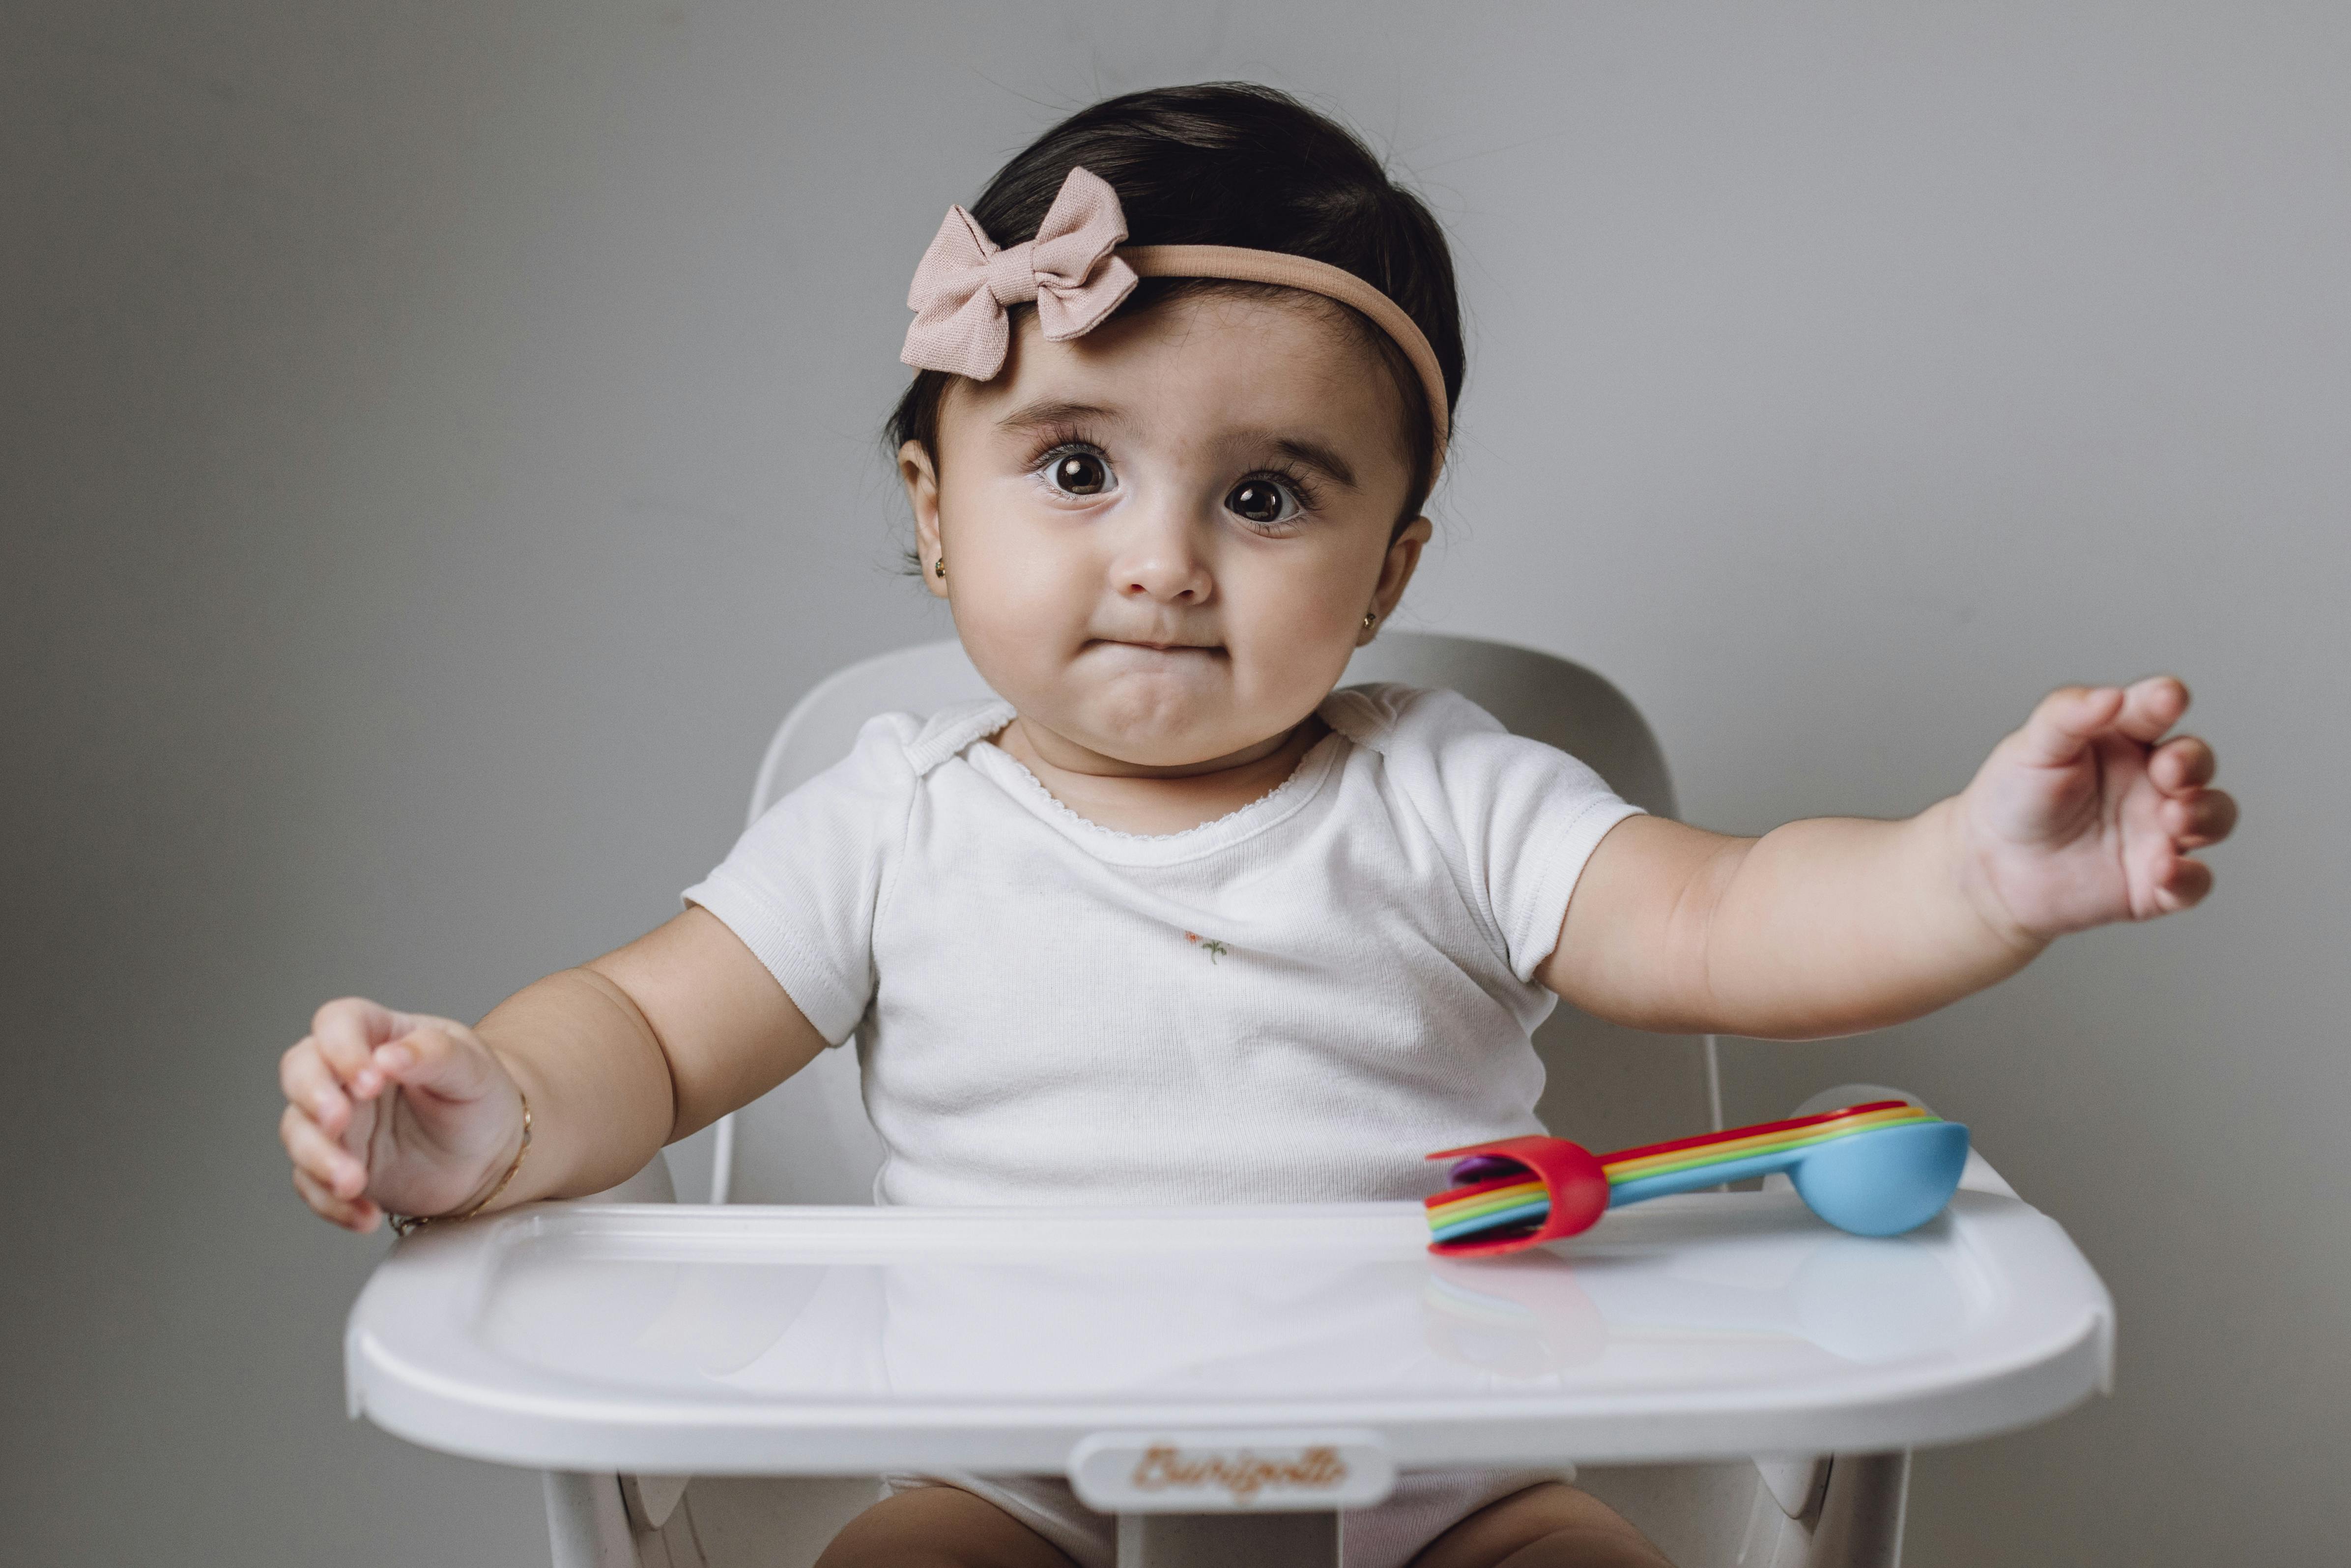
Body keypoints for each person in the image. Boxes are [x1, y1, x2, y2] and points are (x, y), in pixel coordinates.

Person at [275, 84, 2236, 1568]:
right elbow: (637, 1034)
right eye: (1071, 465)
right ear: (932, 500)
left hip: (1449, 1473)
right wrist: (489, 1113)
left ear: (1386, 568)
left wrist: (1970, 874)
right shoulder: (891, 823)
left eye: (1270, 496)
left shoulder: (1443, 789)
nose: (1163, 562)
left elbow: (1724, 919)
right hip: (1003, 1463)